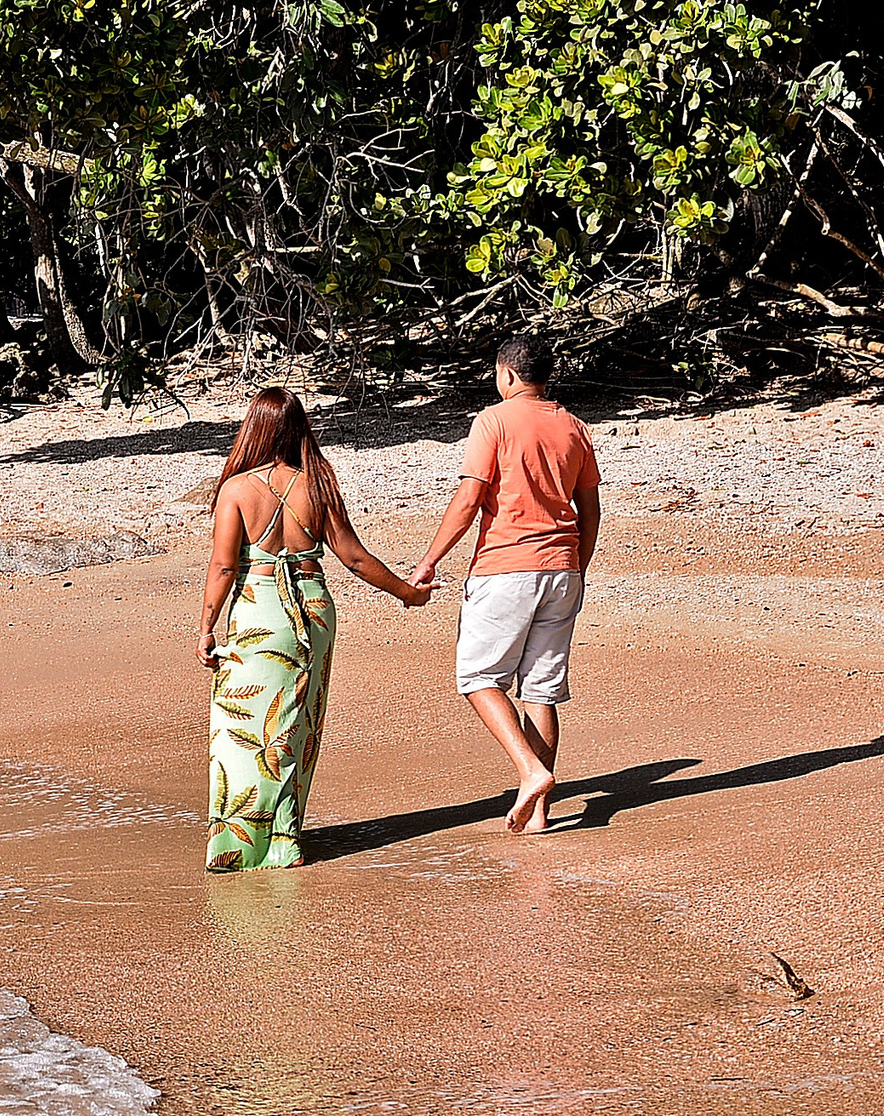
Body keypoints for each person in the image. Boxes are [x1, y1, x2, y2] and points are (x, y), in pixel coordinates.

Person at [198, 387, 434, 871]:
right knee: (297, 724)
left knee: (240, 728)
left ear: (253, 429)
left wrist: (206, 626)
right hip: (313, 608)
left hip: (258, 612)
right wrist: (406, 592)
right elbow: (354, 557)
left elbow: (224, 567)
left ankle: (239, 846)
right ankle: (285, 841)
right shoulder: (318, 484)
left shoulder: (237, 489)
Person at [411, 333, 602, 836]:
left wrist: (430, 560)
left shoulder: (493, 420)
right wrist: (577, 564)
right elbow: (591, 510)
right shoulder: (575, 427)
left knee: (477, 678)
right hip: (563, 569)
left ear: (509, 375)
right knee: (541, 690)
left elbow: (470, 498)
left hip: (504, 568)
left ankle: (530, 769)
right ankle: (540, 812)